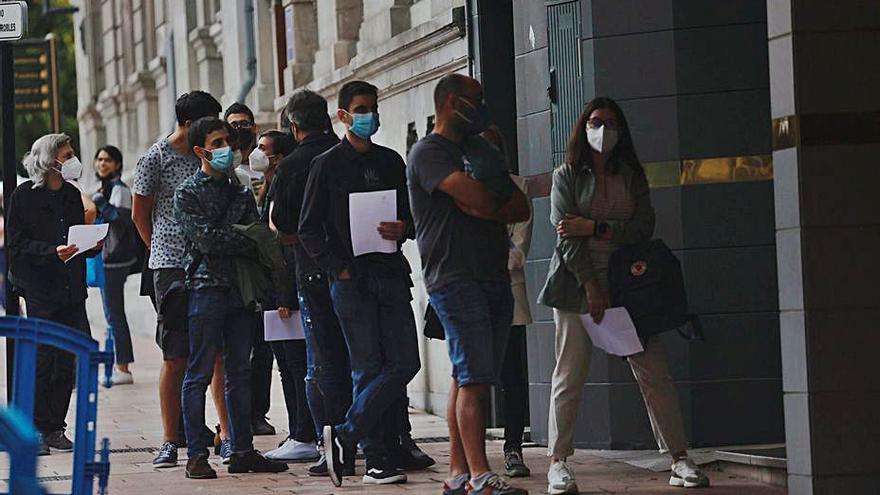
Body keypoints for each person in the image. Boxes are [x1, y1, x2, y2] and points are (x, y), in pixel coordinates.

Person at [537, 97, 710, 493]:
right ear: (583, 128)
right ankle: (558, 462)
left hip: (630, 291)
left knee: (654, 375)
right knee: (569, 376)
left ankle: (679, 458)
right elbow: (566, 237)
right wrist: (591, 285)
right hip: (576, 290)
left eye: (611, 123)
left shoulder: (631, 176)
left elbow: (642, 228)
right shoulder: (566, 175)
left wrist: (595, 227)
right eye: (596, 122)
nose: (603, 130)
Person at [406, 73, 530, 495]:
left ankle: (459, 473)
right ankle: (481, 476)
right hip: (454, 278)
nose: (482, 106)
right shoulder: (427, 153)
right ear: (452, 102)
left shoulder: (482, 148)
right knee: (475, 378)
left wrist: (483, 205)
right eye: (475, 99)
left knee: (469, 375)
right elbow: (476, 197)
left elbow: (520, 206)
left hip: (493, 275)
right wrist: (484, 201)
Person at [299, 81, 421, 487]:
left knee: (405, 362)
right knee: (366, 367)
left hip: (389, 273)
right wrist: (338, 267)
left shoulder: (390, 162)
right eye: (361, 108)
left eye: (373, 107)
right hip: (351, 280)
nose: (370, 114)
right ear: (344, 116)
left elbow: (415, 217)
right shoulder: (327, 164)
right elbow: (308, 228)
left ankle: (345, 434)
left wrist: (404, 227)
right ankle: (377, 459)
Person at [175, 116, 289, 479]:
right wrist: (241, 239)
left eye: (228, 140)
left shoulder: (240, 190)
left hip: (240, 291)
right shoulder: (187, 193)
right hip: (205, 289)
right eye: (218, 142)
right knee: (199, 373)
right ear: (200, 150)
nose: (227, 147)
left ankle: (242, 449)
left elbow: (255, 235)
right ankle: (196, 454)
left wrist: (239, 238)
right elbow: (206, 240)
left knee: (241, 371)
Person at [132, 90, 230, 468]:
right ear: (188, 125)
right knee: (176, 354)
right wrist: (164, 250)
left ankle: (226, 432)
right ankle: (171, 439)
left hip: (213, 263)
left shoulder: (208, 155)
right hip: (171, 266)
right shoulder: (154, 160)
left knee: (219, 352)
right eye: (206, 126)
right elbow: (141, 217)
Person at [270, 89, 352, 473]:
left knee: (321, 362)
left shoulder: (292, 166)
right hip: (353, 268)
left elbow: (284, 228)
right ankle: (366, 433)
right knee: (361, 355)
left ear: (294, 125)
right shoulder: (349, 155)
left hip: (312, 270)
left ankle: (330, 442)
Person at [8, 133, 99, 455]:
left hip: (72, 289)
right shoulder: (23, 196)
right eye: (68, 153)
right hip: (41, 289)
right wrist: (50, 252)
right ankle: (32, 428)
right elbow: (16, 245)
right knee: (43, 359)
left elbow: (77, 236)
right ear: (50, 159)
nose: (73, 158)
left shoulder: (72, 195)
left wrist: (91, 245)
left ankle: (54, 427)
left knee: (68, 360)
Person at [480, 126, 535, 479]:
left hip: (508, 293)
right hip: (468, 297)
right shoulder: (457, 186)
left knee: (512, 376)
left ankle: (513, 447)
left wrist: (482, 262)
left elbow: (519, 249)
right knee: (471, 377)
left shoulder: (518, 187)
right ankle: (471, 459)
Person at [225, 103, 277, 437]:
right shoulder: (228, 171)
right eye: (235, 126)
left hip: (267, 266)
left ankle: (259, 411)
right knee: (237, 349)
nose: (242, 131)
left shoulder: (263, 167)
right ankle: (234, 418)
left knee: (265, 346)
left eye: (246, 125)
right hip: (239, 269)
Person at [92, 145, 139, 385]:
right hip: (106, 258)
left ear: (118, 164)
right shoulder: (105, 188)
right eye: (99, 159)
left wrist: (101, 204)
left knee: (114, 313)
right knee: (111, 314)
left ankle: (123, 367)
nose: (102, 164)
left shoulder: (119, 189)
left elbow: (122, 219)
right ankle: (117, 365)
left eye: (108, 160)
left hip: (115, 260)